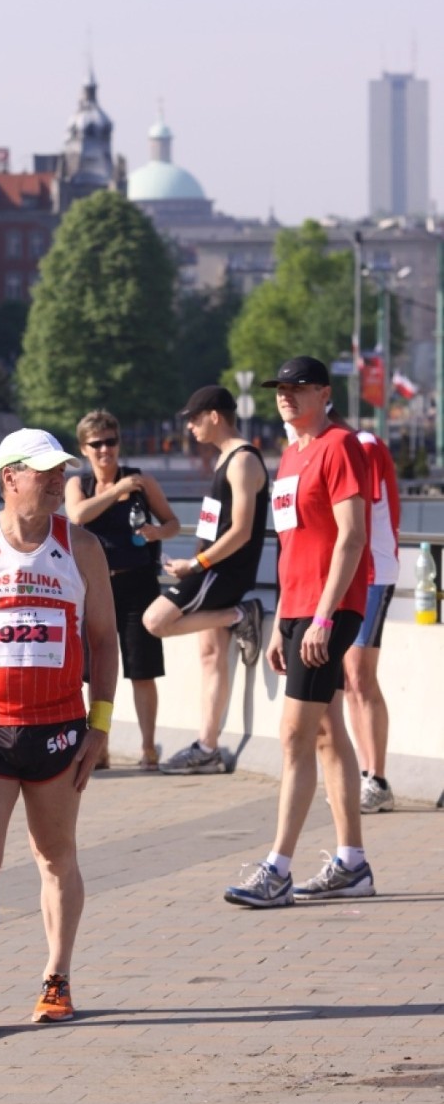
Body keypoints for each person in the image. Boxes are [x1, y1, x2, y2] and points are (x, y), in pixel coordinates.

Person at [0, 428, 117, 1038]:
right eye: (45, 472)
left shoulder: (81, 545)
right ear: (10, 478)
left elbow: (105, 639)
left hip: (58, 729)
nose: (59, 480)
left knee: (55, 856)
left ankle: (56, 978)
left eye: (62, 470)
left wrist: (100, 727)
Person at [224, 356, 374, 909]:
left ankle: (278, 868)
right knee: (326, 733)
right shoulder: (290, 455)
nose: (286, 395)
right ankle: (352, 862)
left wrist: (323, 617)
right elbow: (291, 545)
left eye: (298, 387)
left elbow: (351, 536)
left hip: (328, 610)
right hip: (297, 609)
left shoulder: (341, 446)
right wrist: (282, 619)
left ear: (324, 393)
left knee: (293, 736)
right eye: (280, 388)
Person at [141, 386, 268, 774]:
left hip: (220, 572)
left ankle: (240, 615)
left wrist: (195, 565)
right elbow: (218, 523)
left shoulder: (242, 461)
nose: (190, 426)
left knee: (155, 621)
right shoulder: (224, 460)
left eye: (194, 418)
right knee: (211, 657)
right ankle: (208, 747)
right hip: (210, 567)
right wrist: (192, 559)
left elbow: (242, 531)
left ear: (214, 416)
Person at [64, 408, 180, 769]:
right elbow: (78, 516)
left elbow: (172, 521)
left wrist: (158, 533)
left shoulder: (141, 481)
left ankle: (148, 748)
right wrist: (116, 491)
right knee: (93, 670)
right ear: (84, 449)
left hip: (137, 582)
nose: (105, 451)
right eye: (96, 444)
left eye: (110, 442)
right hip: (92, 588)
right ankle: (99, 748)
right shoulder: (78, 485)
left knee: (142, 670)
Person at [339, 426, 400, 814]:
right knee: (349, 679)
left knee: (361, 675)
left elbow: (355, 506)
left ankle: (377, 778)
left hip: (374, 571)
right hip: (351, 572)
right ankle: (366, 775)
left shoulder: (364, 445)